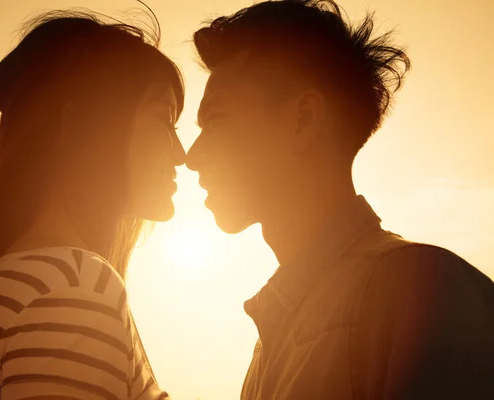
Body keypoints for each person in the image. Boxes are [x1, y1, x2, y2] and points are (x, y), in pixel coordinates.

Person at [187, 0, 494, 398]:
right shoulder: (277, 328)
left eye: (215, 123)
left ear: (303, 120)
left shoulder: (417, 291)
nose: (192, 156)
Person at [0, 10, 185, 400]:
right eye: (164, 121)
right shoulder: (73, 288)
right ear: (86, 128)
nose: (180, 153)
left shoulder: (29, 276)